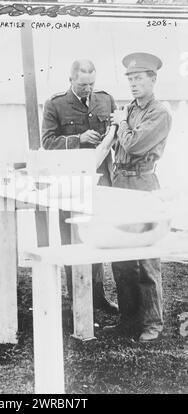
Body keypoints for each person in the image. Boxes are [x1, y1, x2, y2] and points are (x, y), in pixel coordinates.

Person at [41, 59, 118, 314]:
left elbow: (116, 134)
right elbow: (48, 142)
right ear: (71, 79)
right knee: (71, 239)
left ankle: (98, 295)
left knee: (95, 237)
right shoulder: (56, 104)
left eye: (92, 83)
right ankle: (75, 296)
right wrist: (78, 138)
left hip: (99, 179)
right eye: (83, 84)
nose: (88, 88)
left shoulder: (105, 100)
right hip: (70, 183)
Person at [106, 52, 172, 342]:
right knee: (121, 255)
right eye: (130, 79)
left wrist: (120, 124)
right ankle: (128, 319)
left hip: (144, 183)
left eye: (138, 78)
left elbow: (133, 145)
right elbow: (118, 148)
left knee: (146, 256)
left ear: (152, 79)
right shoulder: (130, 110)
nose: (133, 84)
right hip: (120, 182)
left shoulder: (160, 112)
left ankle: (152, 323)